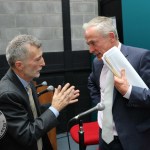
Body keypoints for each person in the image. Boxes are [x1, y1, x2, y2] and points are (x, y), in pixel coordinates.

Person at [0, 34, 80, 150]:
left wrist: (59, 103)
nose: (43, 63)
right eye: (38, 59)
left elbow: (31, 113)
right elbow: (27, 135)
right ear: (19, 65)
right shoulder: (7, 94)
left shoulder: (27, 81)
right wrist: (55, 108)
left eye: (41, 57)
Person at [83, 16, 150, 150]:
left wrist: (129, 91)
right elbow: (92, 82)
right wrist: (101, 105)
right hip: (105, 135)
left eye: (93, 43)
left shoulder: (141, 57)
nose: (90, 50)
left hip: (133, 138)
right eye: (88, 44)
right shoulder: (97, 62)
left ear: (111, 37)